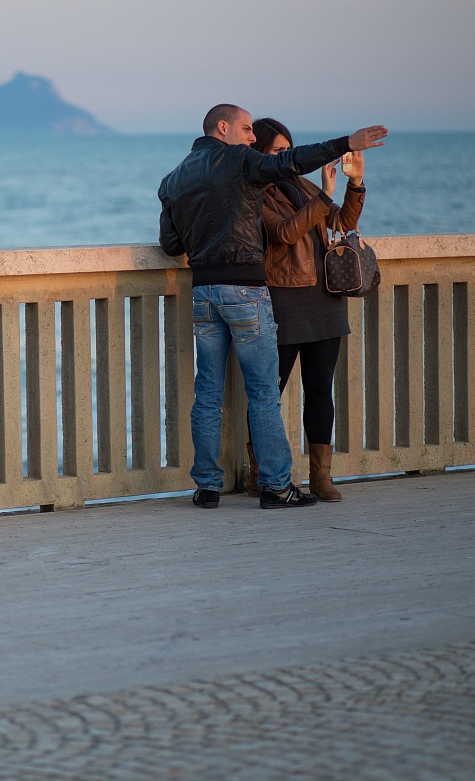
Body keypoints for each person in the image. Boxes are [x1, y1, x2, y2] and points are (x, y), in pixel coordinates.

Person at [157, 104, 387, 510]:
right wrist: (345, 143)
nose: (250, 136)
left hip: (204, 291)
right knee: (264, 393)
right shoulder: (243, 162)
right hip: (246, 289)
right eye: (246, 128)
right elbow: (293, 163)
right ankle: (277, 486)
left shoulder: (173, 179)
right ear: (223, 127)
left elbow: (172, 246)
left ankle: (207, 487)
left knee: (208, 394)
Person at [245, 117, 368, 503]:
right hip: (283, 299)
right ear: (259, 154)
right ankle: (261, 474)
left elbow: (341, 222)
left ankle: (321, 477)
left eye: (288, 149)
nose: (286, 156)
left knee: (320, 391)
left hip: (324, 299)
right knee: (270, 392)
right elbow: (283, 233)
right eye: (278, 151)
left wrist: (355, 184)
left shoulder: (300, 184)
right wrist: (323, 197)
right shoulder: (255, 192)